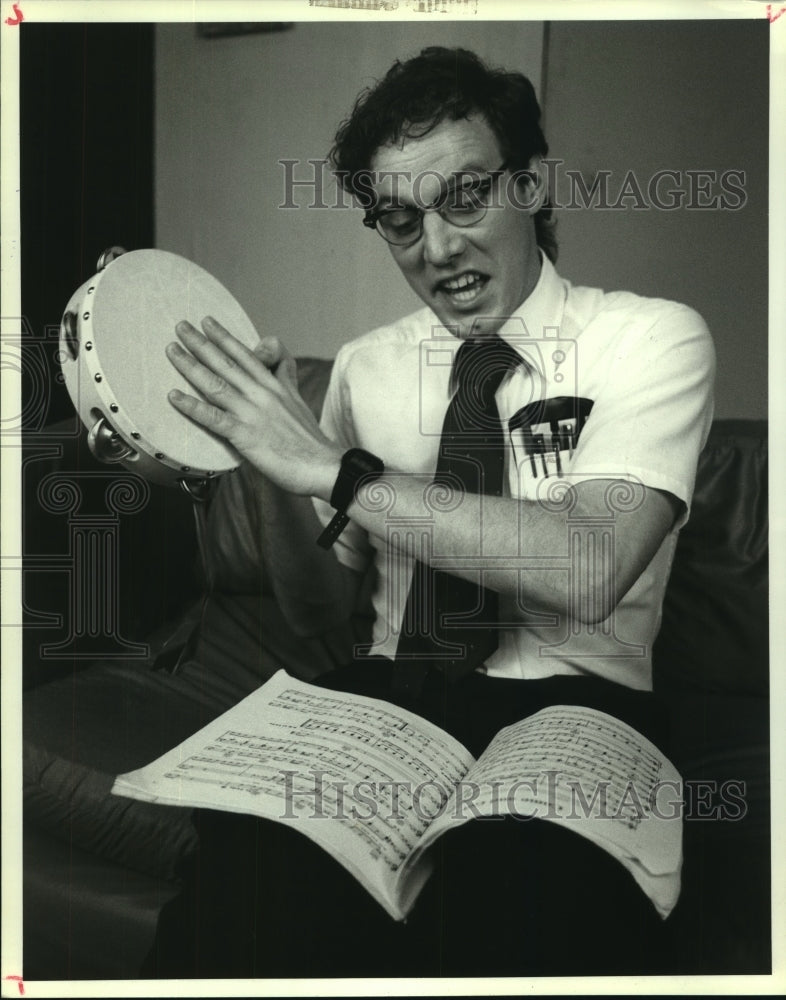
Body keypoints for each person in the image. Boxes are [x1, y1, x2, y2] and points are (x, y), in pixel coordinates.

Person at [146, 47, 715, 978]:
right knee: (244, 870)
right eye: (402, 219)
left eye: (466, 198)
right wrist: (272, 469)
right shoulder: (367, 366)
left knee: (520, 889)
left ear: (531, 185)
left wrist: (334, 473)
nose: (437, 248)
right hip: (395, 691)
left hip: (583, 704)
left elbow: (590, 567)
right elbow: (316, 613)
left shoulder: (650, 337)